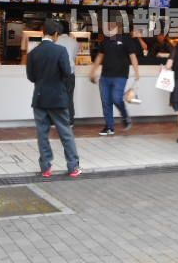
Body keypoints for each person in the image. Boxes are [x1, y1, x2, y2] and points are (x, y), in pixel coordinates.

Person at [26, 19, 81, 178]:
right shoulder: (60, 51)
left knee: (42, 134)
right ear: (56, 34)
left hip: (39, 98)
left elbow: (31, 77)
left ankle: (46, 168)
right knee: (65, 133)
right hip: (58, 97)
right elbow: (67, 72)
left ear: (43, 32)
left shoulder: (33, 53)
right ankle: (73, 167)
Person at [91, 20, 140, 136]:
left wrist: (137, 72)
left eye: (111, 26)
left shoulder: (126, 40)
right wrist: (92, 71)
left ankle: (125, 116)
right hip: (105, 76)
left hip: (120, 76)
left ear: (118, 28)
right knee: (106, 102)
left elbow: (133, 56)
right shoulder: (105, 41)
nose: (108, 28)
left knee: (116, 98)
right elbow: (99, 57)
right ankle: (109, 127)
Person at [56, 20, 78, 127]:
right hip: (70, 73)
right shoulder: (74, 42)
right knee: (69, 97)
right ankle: (70, 121)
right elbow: (74, 57)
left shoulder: (55, 41)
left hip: (58, 73)